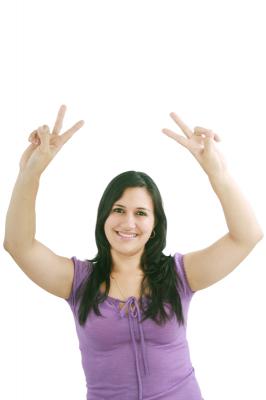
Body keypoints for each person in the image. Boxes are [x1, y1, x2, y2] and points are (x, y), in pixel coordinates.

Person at [3, 105, 263, 400]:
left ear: (155, 225)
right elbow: (18, 244)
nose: (128, 222)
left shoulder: (179, 275)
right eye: (118, 210)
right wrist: (30, 174)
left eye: (141, 213)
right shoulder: (78, 281)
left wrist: (219, 173)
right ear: (104, 218)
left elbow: (247, 236)